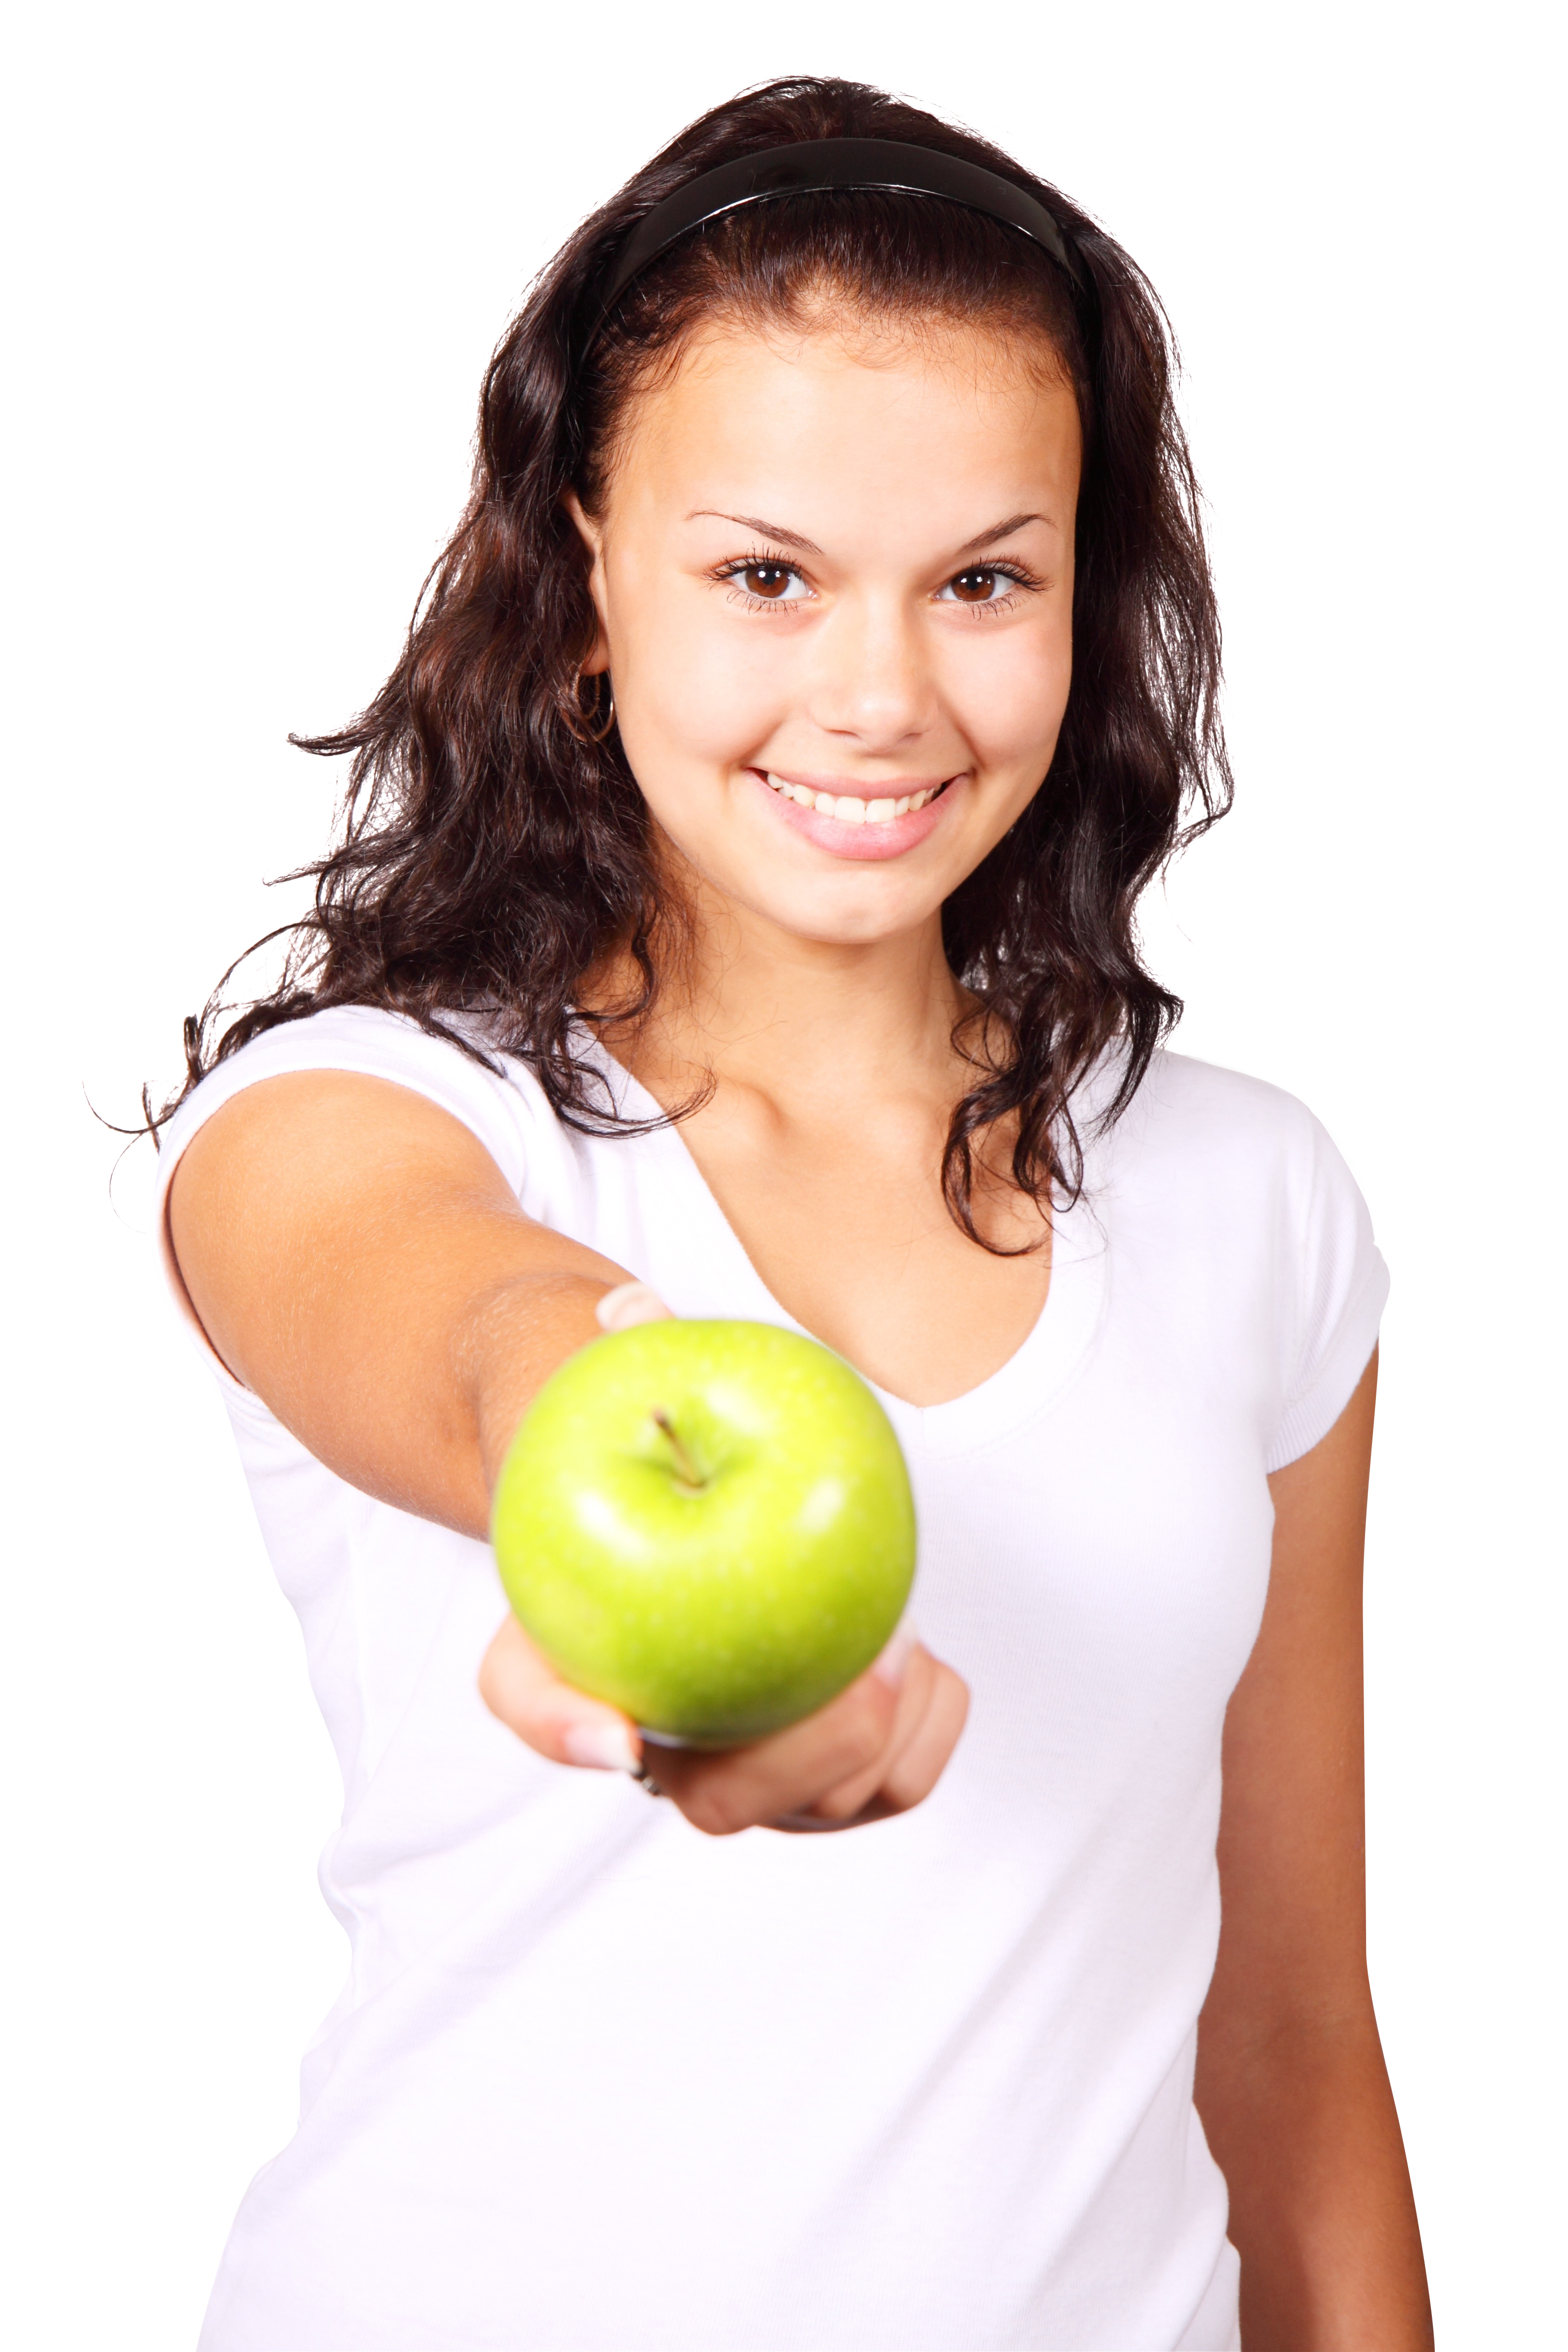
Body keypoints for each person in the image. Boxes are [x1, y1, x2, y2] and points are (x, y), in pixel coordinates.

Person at [150, 73, 1434, 2352]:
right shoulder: (355, 1118)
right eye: (765, 574)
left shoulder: (1257, 1204)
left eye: (983, 580)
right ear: (579, 590)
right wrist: (632, 1514)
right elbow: (476, 1331)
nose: (880, 694)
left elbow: (1296, 2036)